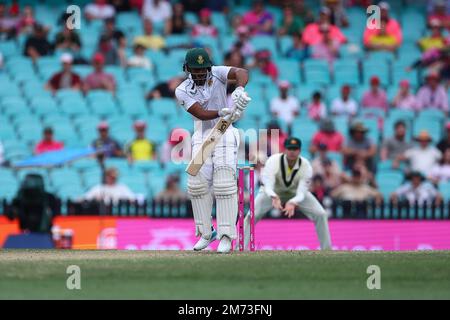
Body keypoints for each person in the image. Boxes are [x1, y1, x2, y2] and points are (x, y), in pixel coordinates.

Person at [174, 47, 250, 253]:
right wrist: (221, 111)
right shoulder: (181, 89)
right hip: (202, 133)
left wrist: (239, 89)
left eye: (203, 69)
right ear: (187, 69)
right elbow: (199, 113)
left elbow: (242, 72)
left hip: (226, 132)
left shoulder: (217, 72)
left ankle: (227, 236)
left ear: (208, 67)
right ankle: (206, 233)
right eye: (195, 70)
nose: (200, 73)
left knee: (224, 183)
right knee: (196, 183)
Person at [242, 137, 332, 250]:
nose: (292, 152)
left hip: (295, 194)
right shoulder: (273, 161)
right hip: (272, 192)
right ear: (285, 150)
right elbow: (268, 184)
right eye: (290, 149)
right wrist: (274, 196)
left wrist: (293, 201)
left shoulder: (306, 166)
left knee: (321, 214)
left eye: (295, 149)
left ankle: (327, 249)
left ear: (299, 150)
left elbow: (302, 191)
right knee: (251, 215)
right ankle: (240, 248)